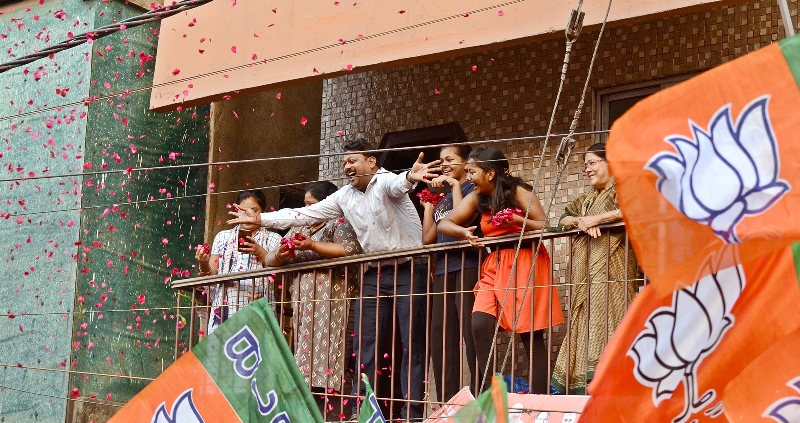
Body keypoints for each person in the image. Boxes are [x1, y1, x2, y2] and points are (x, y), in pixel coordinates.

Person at [227, 138, 440, 420]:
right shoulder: (344, 197)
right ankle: (365, 413)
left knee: (410, 345)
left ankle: (412, 415)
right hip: (375, 274)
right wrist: (261, 221)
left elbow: (400, 183)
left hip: (411, 271)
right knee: (366, 347)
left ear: (372, 162)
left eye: (353, 160)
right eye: (345, 162)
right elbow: (302, 215)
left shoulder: (387, 181)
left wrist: (413, 176)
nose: (347, 166)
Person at [438, 147, 564, 394]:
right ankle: (490, 392)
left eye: (472, 172)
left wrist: (517, 221)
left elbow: (543, 225)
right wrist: (464, 232)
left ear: (490, 174)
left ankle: (537, 401)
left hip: (525, 261)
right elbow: (445, 223)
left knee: (531, 336)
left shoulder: (519, 191)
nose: (469, 178)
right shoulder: (476, 197)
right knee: (479, 322)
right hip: (494, 264)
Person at [264, 182, 363, 415]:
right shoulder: (302, 227)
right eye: (305, 205)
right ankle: (312, 412)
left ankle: (336, 414)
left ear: (326, 204)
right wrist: (280, 254)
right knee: (306, 360)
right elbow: (269, 260)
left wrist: (311, 245)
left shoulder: (340, 222)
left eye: (311, 205)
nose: (305, 210)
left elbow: (348, 250)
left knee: (334, 358)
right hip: (306, 306)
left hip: (334, 304)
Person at [550, 143, 640, 395]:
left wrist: (599, 219)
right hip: (586, 278)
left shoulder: (623, 190)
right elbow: (562, 219)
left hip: (614, 275)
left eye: (592, 163)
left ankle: (610, 383)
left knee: (611, 320)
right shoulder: (586, 200)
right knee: (587, 322)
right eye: (585, 165)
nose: (586, 170)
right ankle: (590, 388)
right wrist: (581, 220)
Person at [421, 144, 481, 400]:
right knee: (440, 334)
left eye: (450, 159)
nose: (444, 164)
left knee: (470, 332)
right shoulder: (444, 199)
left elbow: (461, 221)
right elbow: (427, 239)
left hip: (468, 264)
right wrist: (428, 208)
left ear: (466, 163)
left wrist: (456, 186)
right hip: (444, 268)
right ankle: (448, 401)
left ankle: (481, 397)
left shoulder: (472, 189)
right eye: (441, 160)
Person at [195, 189, 282, 334]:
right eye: (243, 211)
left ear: (263, 212)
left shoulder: (274, 239)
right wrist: (203, 262)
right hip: (225, 309)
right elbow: (211, 274)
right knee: (222, 355)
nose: (248, 215)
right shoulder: (223, 237)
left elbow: (280, 277)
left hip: (259, 307)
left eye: (254, 211)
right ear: (237, 211)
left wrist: (259, 251)